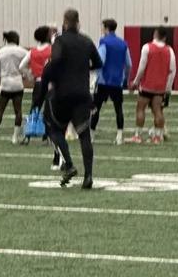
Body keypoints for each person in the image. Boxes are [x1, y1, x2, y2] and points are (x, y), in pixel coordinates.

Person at [41, 9, 101, 188]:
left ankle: (68, 163)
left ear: (65, 22)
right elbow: (98, 63)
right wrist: (82, 68)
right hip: (82, 94)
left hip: (63, 94)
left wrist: (49, 74)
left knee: (53, 127)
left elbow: (57, 60)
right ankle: (88, 176)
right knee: (84, 136)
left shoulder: (59, 40)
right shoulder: (86, 40)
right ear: (78, 21)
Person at [130, 27, 177, 145]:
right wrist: (168, 88)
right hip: (160, 87)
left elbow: (142, 67)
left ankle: (137, 136)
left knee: (140, 109)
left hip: (147, 85)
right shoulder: (169, 50)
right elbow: (172, 70)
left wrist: (135, 82)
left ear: (155, 34)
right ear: (165, 37)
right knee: (158, 111)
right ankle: (157, 137)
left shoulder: (147, 47)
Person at [91, 19, 131, 145]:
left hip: (103, 80)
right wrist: (126, 78)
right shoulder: (123, 44)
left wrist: (93, 72)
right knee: (118, 108)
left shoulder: (104, 42)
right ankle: (119, 136)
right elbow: (129, 64)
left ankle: (91, 134)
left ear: (106, 28)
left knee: (96, 108)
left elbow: (100, 60)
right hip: (117, 81)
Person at [21, 26, 58, 162]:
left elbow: (21, 66)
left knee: (34, 107)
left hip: (38, 82)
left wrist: (30, 74)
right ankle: (47, 136)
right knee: (49, 111)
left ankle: (27, 135)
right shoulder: (52, 50)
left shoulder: (33, 51)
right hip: (50, 83)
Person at [0, 31, 28, 144]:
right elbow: (26, 65)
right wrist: (24, 75)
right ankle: (15, 137)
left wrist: (0, 78)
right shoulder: (23, 51)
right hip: (18, 83)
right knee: (18, 111)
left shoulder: (0, 52)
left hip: (5, 83)